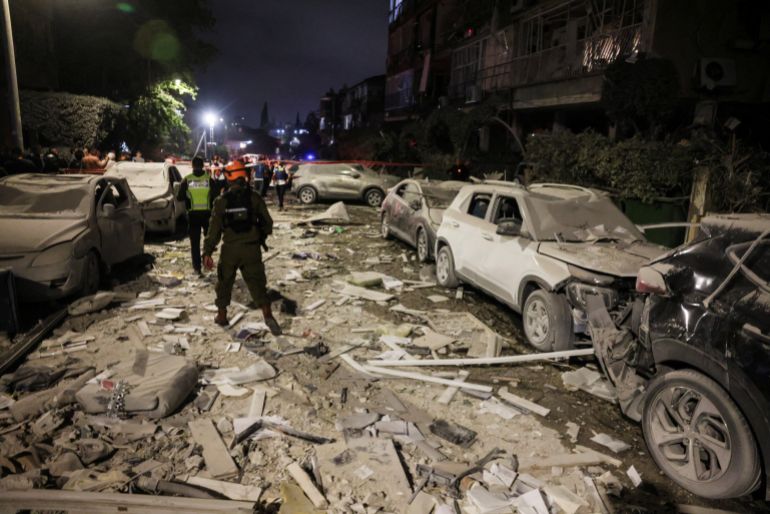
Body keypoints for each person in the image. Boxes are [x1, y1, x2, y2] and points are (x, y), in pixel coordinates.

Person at [202, 159, 281, 334]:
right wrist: (259, 235)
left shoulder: (221, 201)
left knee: (224, 283)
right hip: (252, 249)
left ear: (229, 177)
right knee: (257, 283)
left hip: (230, 250)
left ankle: (222, 316)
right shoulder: (255, 197)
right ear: (244, 177)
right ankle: (268, 315)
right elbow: (268, 223)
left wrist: (207, 252)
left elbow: (213, 230)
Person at [176, 156, 215, 276]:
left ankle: (197, 268)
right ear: (203, 165)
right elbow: (216, 196)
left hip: (193, 215)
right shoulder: (209, 180)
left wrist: (189, 197)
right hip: (207, 215)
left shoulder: (187, 180)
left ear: (192, 166)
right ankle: (206, 259)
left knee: (195, 243)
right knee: (208, 241)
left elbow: (179, 197)